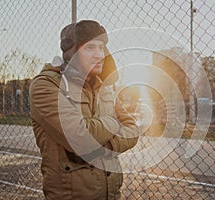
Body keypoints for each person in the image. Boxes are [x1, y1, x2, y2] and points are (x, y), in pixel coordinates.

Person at [30, 20, 139, 200]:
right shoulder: (47, 85)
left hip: (111, 194)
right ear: (72, 53)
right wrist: (114, 123)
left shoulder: (105, 87)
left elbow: (133, 129)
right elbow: (80, 137)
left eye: (101, 47)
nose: (99, 55)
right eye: (89, 48)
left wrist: (107, 147)